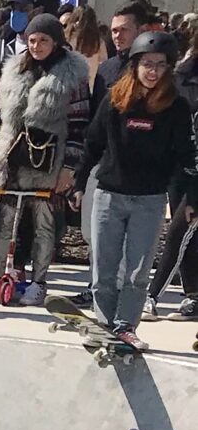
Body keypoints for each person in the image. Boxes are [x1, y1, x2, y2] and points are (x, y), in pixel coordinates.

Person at [74, 32, 194, 338]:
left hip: (149, 199)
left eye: (160, 65)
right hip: (110, 195)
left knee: (138, 271)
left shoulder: (176, 108)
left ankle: (125, 325)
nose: (153, 71)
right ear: (136, 65)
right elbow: (93, 142)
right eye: (147, 64)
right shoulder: (116, 99)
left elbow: (186, 157)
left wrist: (191, 198)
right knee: (105, 267)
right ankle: (103, 322)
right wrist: (78, 181)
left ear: (169, 69)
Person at [0, 11, 83, 305]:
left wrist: (69, 167)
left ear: (56, 42)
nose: (36, 46)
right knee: (7, 221)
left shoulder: (72, 76)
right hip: (13, 156)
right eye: (32, 40)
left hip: (48, 158)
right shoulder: (14, 70)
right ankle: (4, 276)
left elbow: (81, 123)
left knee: (43, 223)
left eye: (43, 40)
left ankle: (38, 281)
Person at [148, 31, 198, 317]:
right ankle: (193, 293)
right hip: (182, 164)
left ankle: (152, 295)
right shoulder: (183, 75)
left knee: (180, 230)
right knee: (190, 236)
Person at [91, 0, 159, 109]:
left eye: (124, 29)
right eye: (114, 31)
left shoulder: (153, 69)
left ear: (142, 30)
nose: (117, 36)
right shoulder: (105, 68)